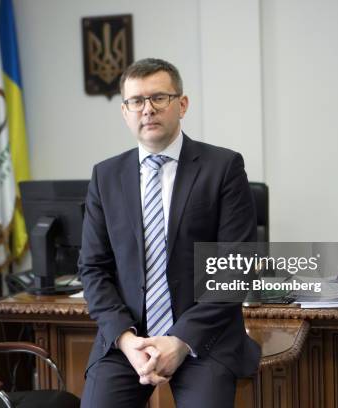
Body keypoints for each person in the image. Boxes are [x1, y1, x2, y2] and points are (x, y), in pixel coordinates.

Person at [79, 58, 260, 408]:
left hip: (204, 337)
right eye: (136, 101)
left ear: (182, 104)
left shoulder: (223, 167)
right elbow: (93, 268)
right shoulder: (106, 176)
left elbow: (236, 267)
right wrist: (127, 340)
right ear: (124, 111)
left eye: (159, 97)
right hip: (128, 339)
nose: (147, 109)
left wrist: (180, 340)